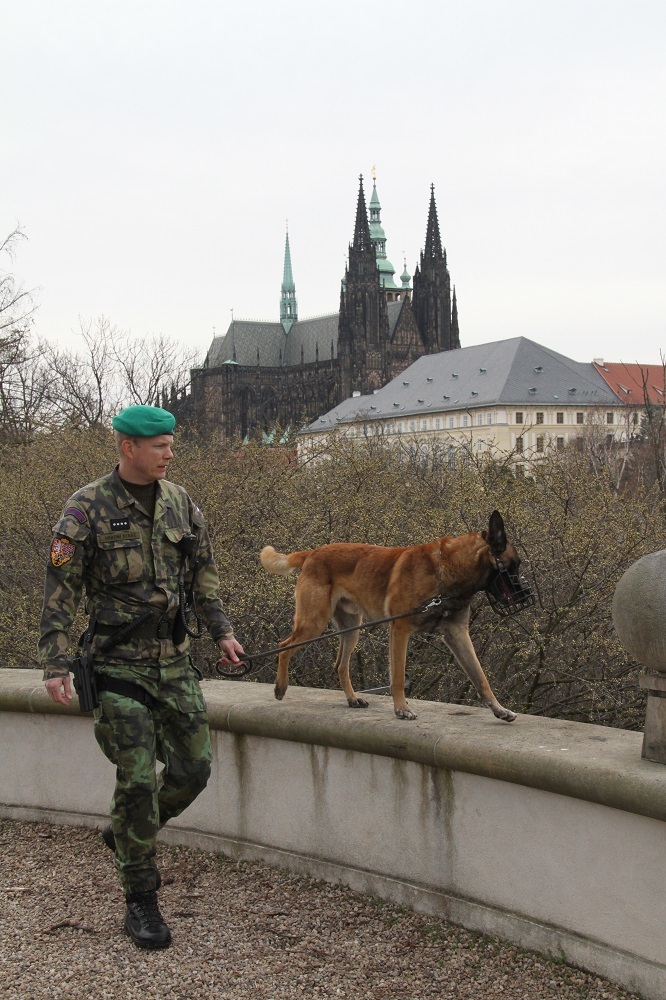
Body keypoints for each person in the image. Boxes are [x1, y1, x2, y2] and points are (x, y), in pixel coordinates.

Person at [39, 405, 244, 949]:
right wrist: (55, 662)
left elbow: (203, 575)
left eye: (171, 444)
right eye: (159, 445)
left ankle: (129, 829)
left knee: (194, 769)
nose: (169, 453)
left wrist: (222, 633)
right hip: (117, 665)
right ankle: (141, 898)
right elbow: (60, 591)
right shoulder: (85, 508)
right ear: (128, 447)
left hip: (174, 661)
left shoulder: (181, 504)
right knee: (135, 778)